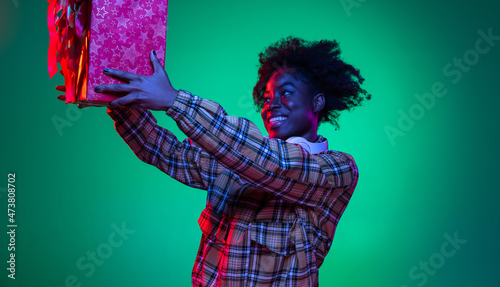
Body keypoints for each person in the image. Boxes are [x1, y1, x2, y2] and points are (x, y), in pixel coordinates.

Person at [57, 36, 370, 286]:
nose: (272, 104)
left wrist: (174, 100)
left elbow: (276, 166)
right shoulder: (235, 161)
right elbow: (165, 151)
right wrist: (114, 96)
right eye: (267, 98)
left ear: (317, 102)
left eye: (286, 93)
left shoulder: (336, 170)